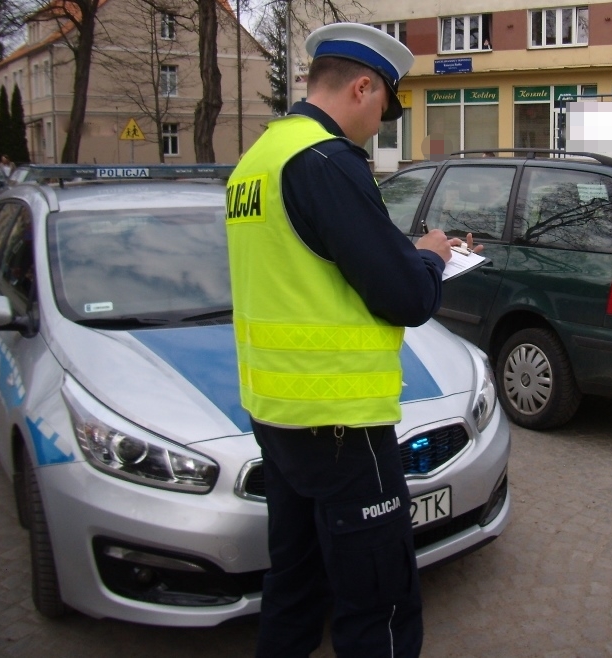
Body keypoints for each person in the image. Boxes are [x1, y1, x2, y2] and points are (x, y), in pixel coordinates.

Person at [225, 22, 469, 658]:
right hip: (342, 425)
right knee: (378, 603)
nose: (380, 125)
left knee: (295, 587)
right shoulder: (326, 161)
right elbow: (404, 297)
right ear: (362, 87)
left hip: (277, 415)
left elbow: (309, 269)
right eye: (384, 108)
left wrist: (401, 254)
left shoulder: (258, 160)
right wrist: (432, 257)